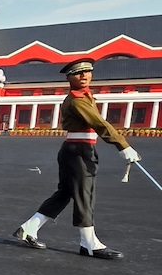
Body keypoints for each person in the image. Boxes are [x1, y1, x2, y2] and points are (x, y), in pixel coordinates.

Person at [13, 58, 141, 258]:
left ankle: (28, 228)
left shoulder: (85, 96)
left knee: (65, 193)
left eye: (87, 72)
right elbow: (99, 123)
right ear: (68, 77)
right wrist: (122, 145)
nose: (83, 76)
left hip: (76, 150)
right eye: (77, 73)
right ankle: (89, 243)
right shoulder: (77, 100)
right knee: (84, 195)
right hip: (79, 151)